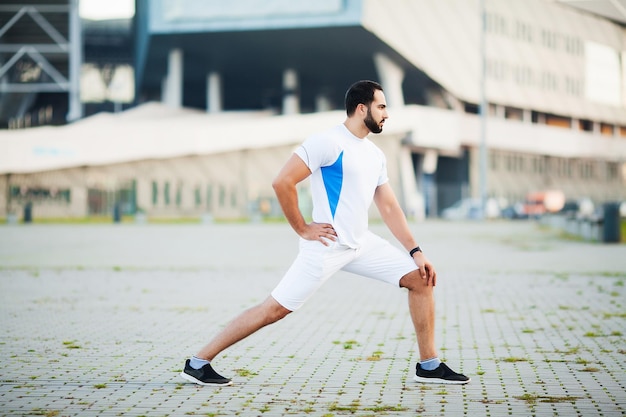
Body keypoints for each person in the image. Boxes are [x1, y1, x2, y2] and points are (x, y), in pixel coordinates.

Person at [180, 80, 470, 386]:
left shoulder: (374, 154)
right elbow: (282, 182)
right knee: (274, 309)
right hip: (327, 246)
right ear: (362, 108)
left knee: (420, 278)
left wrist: (416, 252)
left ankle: (429, 365)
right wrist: (303, 228)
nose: (386, 114)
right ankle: (198, 362)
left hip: (361, 244)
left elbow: (389, 208)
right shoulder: (327, 142)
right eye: (381, 106)